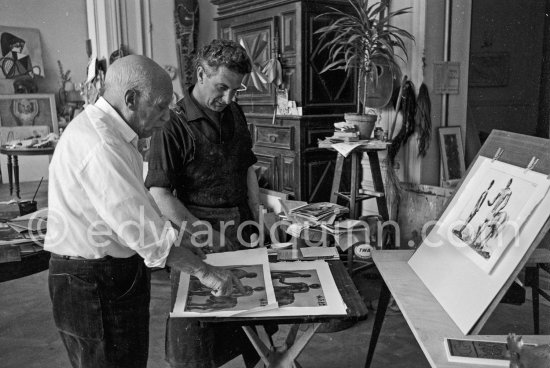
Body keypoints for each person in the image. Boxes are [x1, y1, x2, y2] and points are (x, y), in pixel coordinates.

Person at [44, 55, 243, 368]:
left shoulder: (114, 135)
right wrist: (205, 272)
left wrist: (184, 239)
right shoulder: (100, 144)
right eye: (161, 106)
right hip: (93, 281)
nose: (166, 117)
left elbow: (140, 205)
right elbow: (145, 233)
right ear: (131, 99)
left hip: (107, 273)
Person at [145, 39, 265, 368]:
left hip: (239, 230)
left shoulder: (234, 112)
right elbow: (160, 194)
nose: (228, 99)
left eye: (236, 91)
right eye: (222, 88)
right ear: (200, 74)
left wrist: (256, 218)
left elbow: (247, 169)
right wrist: (206, 235)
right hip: (196, 241)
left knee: (251, 327)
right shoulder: (171, 123)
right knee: (195, 343)